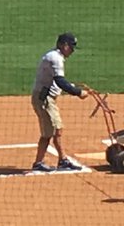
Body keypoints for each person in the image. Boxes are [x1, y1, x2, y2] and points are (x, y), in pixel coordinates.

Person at [30, 33, 87, 173]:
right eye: (71, 47)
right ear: (64, 45)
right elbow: (60, 81)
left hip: (47, 98)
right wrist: (77, 92)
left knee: (56, 129)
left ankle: (62, 160)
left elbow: (56, 81)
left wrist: (73, 86)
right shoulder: (55, 58)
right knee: (50, 132)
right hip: (44, 99)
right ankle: (39, 162)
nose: (72, 51)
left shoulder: (55, 56)